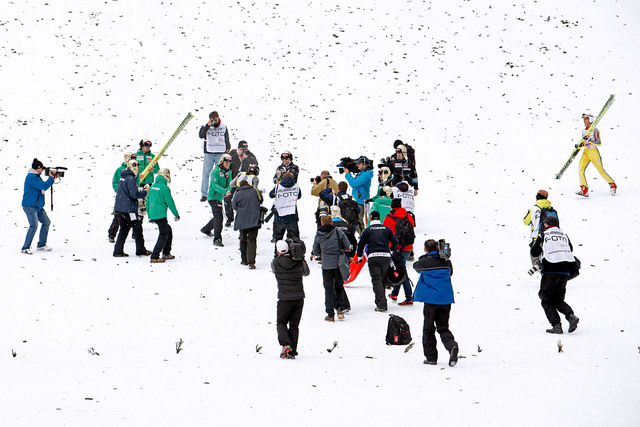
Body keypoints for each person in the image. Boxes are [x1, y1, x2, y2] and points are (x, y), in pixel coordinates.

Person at [413, 239, 459, 367]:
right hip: (446, 299)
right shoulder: (446, 262)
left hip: (431, 301)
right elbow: (450, 273)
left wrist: (425, 256)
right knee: (443, 327)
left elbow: (415, 266)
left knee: (428, 329)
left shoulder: (424, 262)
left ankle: (431, 358)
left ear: (425, 249)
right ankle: (452, 346)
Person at [530, 217, 580, 334]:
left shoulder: (544, 235)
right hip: (565, 272)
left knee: (546, 299)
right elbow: (570, 249)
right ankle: (570, 316)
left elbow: (534, 252)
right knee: (557, 299)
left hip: (550, 271)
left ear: (546, 225)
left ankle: (556, 326)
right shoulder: (564, 235)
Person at [272, 240, 310, 359]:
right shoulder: (298, 261)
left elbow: (275, 271)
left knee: (281, 322)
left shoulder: (275, 263)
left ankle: (286, 344)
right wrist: (301, 258)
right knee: (294, 325)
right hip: (299, 297)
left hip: (284, 297)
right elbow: (306, 272)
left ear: (278, 250)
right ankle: (292, 351)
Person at [311, 215, 352, 322]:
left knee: (328, 289)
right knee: (339, 287)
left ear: (322, 223)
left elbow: (315, 251)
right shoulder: (338, 232)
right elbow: (347, 245)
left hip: (326, 266)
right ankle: (339, 309)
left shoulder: (319, 235)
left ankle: (330, 314)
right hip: (338, 264)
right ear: (332, 223)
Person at [355, 211, 398, 312]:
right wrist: (390, 250)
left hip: (373, 257)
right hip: (386, 257)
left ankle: (381, 303)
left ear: (371, 218)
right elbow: (395, 242)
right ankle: (383, 297)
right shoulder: (386, 229)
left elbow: (360, 245)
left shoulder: (367, 230)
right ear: (379, 218)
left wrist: (360, 257)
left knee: (377, 279)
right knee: (382, 278)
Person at [113, 159, 150, 257]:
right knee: (137, 228)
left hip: (120, 208)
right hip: (129, 209)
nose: (138, 168)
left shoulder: (123, 177)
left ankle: (118, 251)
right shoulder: (131, 179)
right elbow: (134, 194)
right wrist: (145, 192)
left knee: (124, 229)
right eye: (137, 166)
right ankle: (141, 250)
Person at [383, 198, 416, 305]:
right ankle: (394, 293)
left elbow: (385, 233)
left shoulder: (389, 218)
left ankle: (409, 297)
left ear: (391, 207)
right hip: (408, 246)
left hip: (396, 248)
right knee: (400, 268)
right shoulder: (409, 216)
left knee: (401, 272)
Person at [576, 113, 616, 197]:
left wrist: (590, 141)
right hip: (586, 152)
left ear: (590, 120)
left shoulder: (594, 130)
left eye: (586, 119)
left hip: (593, 152)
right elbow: (584, 142)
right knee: (580, 170)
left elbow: (599, 142)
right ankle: (584, 189)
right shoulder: (583, 131)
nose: (584, 120)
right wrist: (579, 145)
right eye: (584, 119)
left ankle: (612, 184)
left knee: (601, 170)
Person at [21, 158, 56, 254]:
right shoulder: (31, 177)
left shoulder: (36, 176)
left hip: (38, 206)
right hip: (30, 206)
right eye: (42, 169)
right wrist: (51, 178)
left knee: (46, 222)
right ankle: (25, 248)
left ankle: (41, 245)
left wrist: (52, 179)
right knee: (34, 226)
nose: (43, 171)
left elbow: (43, 185)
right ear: (38, 168)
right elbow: (44, 186)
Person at [147, 169, 180, 264]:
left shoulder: (153, 186)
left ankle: (166, 252)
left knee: (168, 230)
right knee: (163, 234)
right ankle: (155, 256)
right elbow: (170, 202)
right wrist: (176, 214)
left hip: (153, 214)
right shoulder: (164, 188)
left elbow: (148, 200)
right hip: (161, 215)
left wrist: (149, 214)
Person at [201, 154, 232, 246]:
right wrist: (224, 191)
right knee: (219, 217)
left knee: (217, 216)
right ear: (222, 162)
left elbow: (229, 184)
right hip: (213, 197)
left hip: (220, 197)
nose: (228, 164)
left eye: (229, 163)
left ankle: (206, 229)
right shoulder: (215, 171)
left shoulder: (228, 172)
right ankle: (217, 239)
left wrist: (227, 191)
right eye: (226, 162)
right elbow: (214, 185)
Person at [225, 140, 259, 226]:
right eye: (241, 149)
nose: (243, 151)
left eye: (245, 149)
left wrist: (247, 158)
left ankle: (244, 217)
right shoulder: (231, 155)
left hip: (244, 182)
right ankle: (229, 218)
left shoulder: (250, 156)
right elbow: (225, 165)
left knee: (244, 200)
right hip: (234, 180)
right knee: (227, 198)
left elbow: (256, 168)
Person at [199, 111, 231, 202]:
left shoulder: (223, 126)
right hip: (209, 152)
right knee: (206, 173)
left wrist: (228, 147)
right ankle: (204, 193)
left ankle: (221, 191)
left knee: (221, 173)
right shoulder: (206, 125)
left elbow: (226, 137)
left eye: (215, 119)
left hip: (220, 152)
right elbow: (201, 135)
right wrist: (207, 126)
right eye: (212, 120)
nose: (214, 121)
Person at [233, 179, 264, 269]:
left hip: (242, 221)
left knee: (243, 239)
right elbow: (261, 200)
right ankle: (251, 262)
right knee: (252, 240)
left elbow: (234, 207)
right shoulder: (255, 191)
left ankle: (244, 260)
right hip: (254, 220)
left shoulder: (237, 194)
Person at [108, 152, 136, 243]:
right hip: (122, 197)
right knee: (118, 216)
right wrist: (119, 191)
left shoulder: (136, 169)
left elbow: (137, 182)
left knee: (136, 215)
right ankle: (112, 234)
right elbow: (115, 182)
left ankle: (136, 233)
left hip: (132, 197)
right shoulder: (120, 170)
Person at [343, 156, 374, 234]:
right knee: (356, 221)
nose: (357, 166)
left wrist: (347, 174)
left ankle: (364, 238)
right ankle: (362, 238)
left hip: (361, 201)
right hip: (358, 200)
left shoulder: (366, 174)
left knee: (359, 221)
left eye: (359, 164)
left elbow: (354, 183)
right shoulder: (362, 173)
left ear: (364, 164)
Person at [269, 172, 301, 242]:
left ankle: (278, 252)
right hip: (292, 215)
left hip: (280, 215)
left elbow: (271, 195)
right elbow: (299, 196)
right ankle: (294, 252)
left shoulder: (278, 187)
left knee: (278, 238)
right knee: (294, 239)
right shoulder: (296, 186)